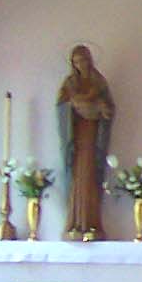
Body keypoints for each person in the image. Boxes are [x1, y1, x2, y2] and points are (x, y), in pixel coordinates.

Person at [56, 44, 114, 241]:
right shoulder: (70, 83)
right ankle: (75, 222)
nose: (81, 64)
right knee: (77, 177)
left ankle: (91, 222)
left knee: (90, 175)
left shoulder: (99, 83)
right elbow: (62, 107)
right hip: (76, 135)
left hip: (92, 136)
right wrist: (74, 106)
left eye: (84, 60)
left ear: (90, 60)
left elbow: (109, 109)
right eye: (77, 61)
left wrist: (101, 110)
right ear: (73, 64)